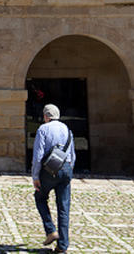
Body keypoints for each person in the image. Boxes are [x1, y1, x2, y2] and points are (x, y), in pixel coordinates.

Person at [31, 104, 75, 253]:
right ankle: (62, 246)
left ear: (46, 116)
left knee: (40, 197)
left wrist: (35, 176)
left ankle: (51, 230)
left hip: (49, 171)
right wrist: (68, 172)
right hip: (66, 168)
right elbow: (72, 155)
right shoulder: (67, 129)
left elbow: (38, 156)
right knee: (64, 207)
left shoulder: (43, 129)